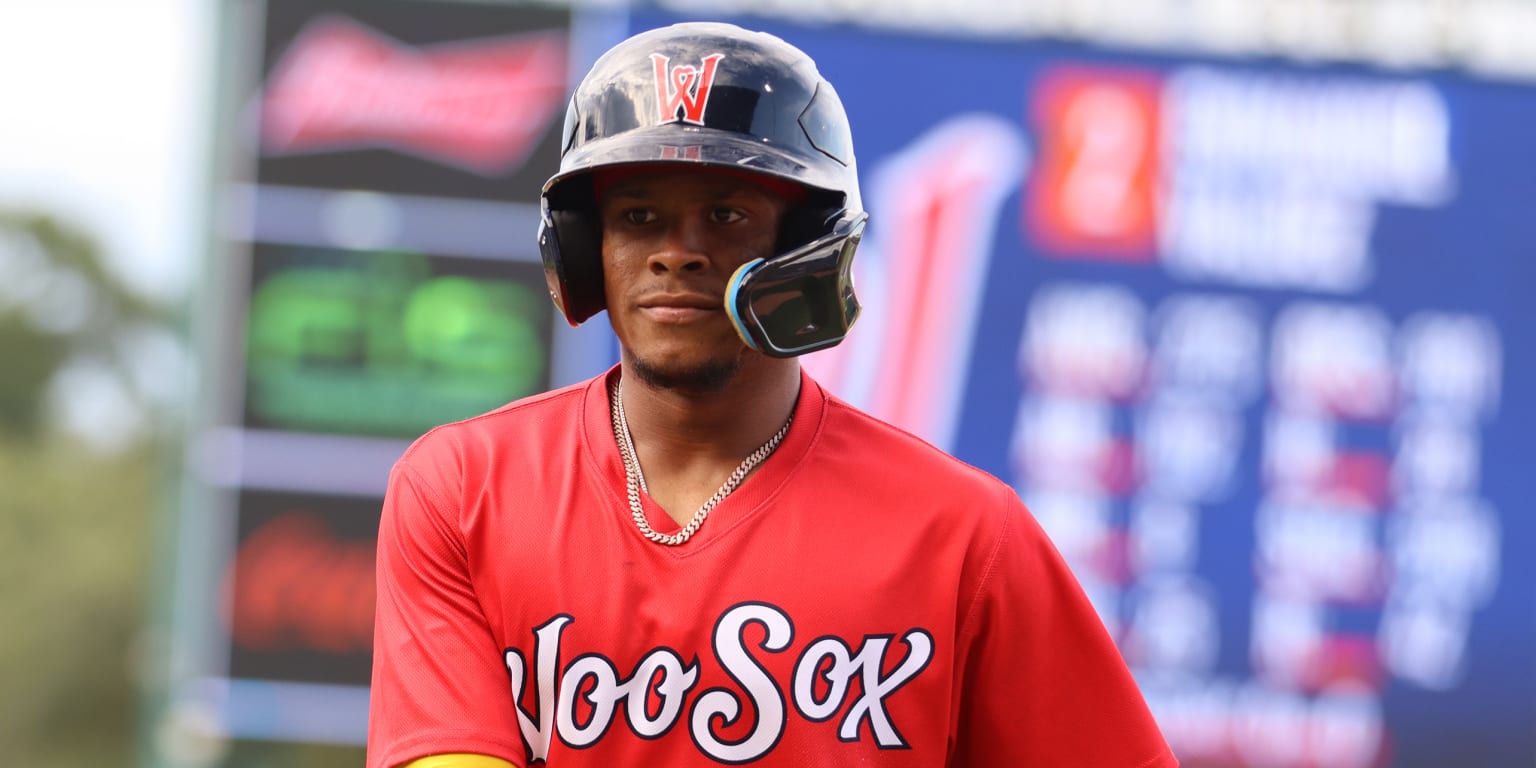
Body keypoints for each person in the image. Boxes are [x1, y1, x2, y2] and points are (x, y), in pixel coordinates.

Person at [367, 21, 1178, 768]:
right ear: (587, 251)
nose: (676, 254)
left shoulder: (964, 534)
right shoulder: (462, 489)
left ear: (811, 251)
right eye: (639, 215)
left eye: (726, 214)